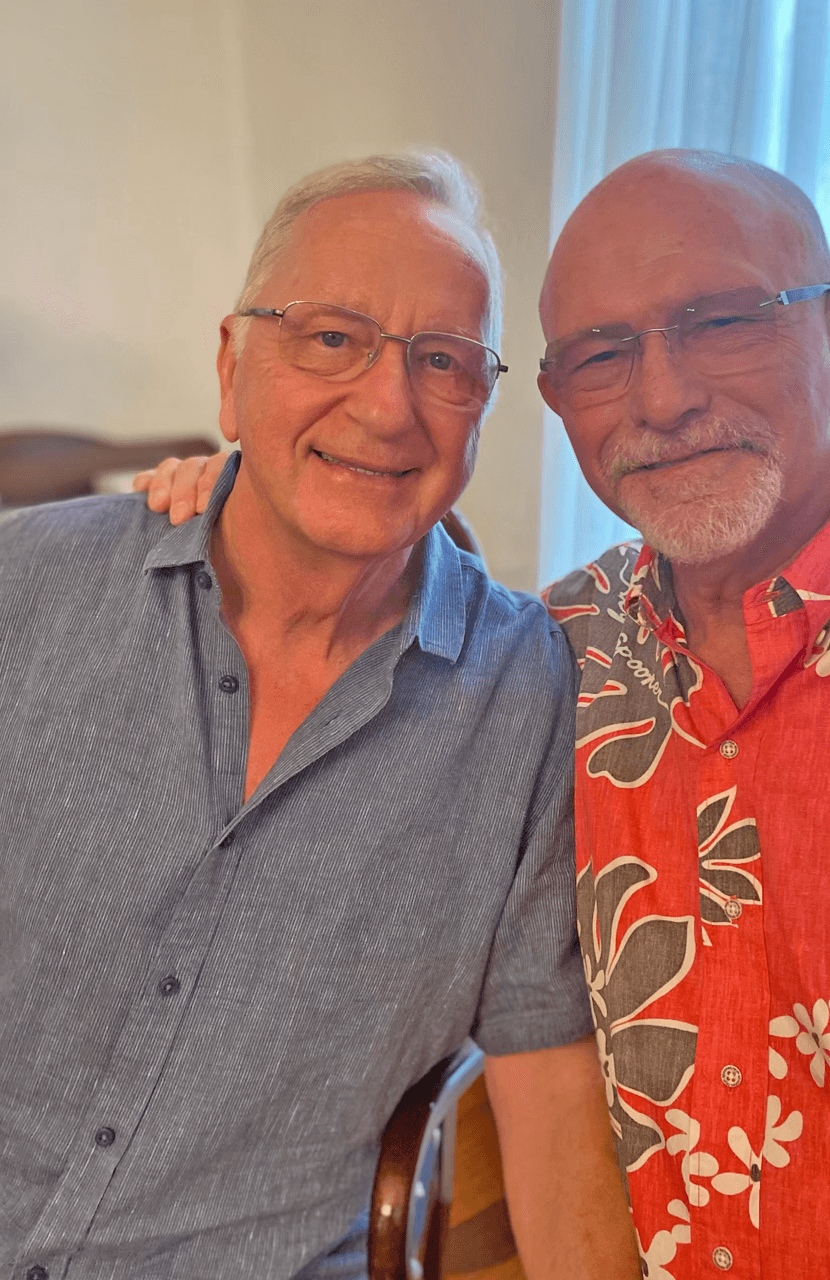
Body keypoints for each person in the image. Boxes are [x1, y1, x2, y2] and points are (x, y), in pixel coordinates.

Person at [145, 149, 830, 1277]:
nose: (661, 396)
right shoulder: (554, 652)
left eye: (722, 320)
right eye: (602, 353)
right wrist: (236, 491)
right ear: (551, 400)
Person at [0, 153, 639, 1280]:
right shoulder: (28, 589)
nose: (387, 405)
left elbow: (543, 1079)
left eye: (441, 361)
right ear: (230, 367)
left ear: (482, 410)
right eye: (331, 336)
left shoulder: (527, 693)